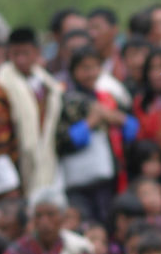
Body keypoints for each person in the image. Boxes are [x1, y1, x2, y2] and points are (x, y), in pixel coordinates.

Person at [56, 47, 139, 224]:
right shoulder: (66, 101)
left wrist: (117, 118)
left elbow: (132, 129)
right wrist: (91, 121)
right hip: (78, 181)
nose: (91, 73)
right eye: (85, 68)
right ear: (74, 71)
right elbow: (65, 140)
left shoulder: (107, 97)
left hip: (109, 175)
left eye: (95, 67)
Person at [0, 27, 65, 199]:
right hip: (15, 173)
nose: (20, 59)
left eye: (26, 53)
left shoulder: (48, 85)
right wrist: (9, 186)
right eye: (15, 54)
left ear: (37, 52)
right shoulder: (0, 88)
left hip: (47, 169)